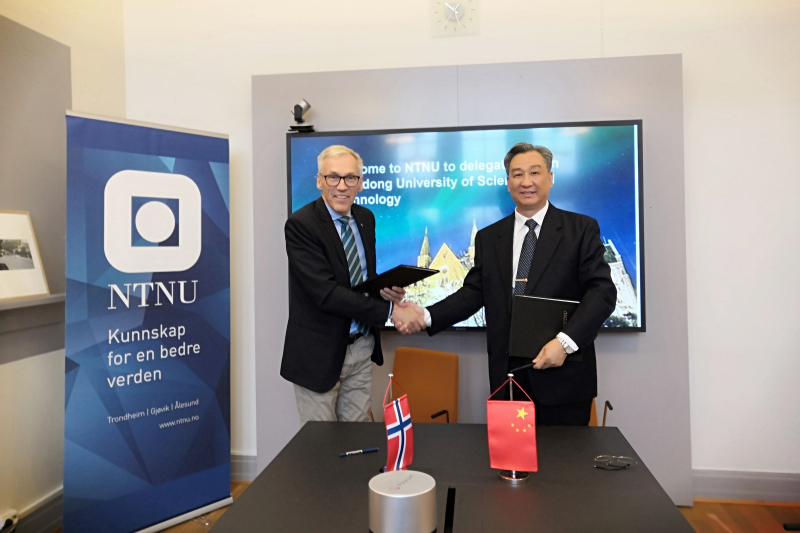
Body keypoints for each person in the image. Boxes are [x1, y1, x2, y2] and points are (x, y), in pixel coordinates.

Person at [387, 143, 616, 426]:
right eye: (517, 174)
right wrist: (425, 315)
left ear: (550, 178)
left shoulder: (580, 229)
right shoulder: (489, 238)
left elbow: (602, 293)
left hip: (563, 376)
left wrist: (565, 343)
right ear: (508, 182)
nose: (526, 182)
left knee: (564, 455)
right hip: (508, 379)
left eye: (535, 172)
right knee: (508, 454)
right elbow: (473, 293)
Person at [281, 145, 423, 423]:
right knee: (322, 442)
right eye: (333, 177)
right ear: (319, 181)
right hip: (318, 354)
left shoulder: (365, 218)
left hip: (361, 345)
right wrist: (391, 312)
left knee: (357, 438)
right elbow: (326, 294)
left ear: (361, 182)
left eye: (350, 177)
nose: (342, 186)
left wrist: (386, 293)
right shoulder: (301, 225)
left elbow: (360, 280)